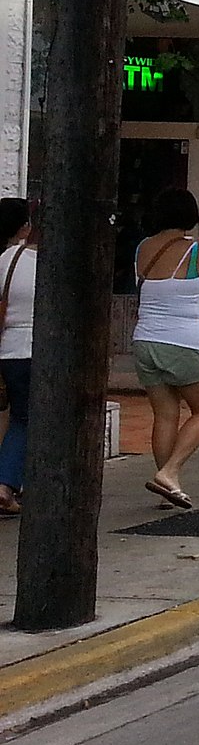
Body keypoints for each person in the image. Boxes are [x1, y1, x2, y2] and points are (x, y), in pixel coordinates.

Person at [131, 185, 199, 509]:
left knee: (165, 414)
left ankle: (167, 489)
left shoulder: (143, 248)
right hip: (184, 341)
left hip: (146, 341)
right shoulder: (197, 252)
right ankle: (170, 472)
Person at [0, 198, 33, 518]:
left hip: (8, 350)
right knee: (27, 419)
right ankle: (6, 483)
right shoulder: (39, 262)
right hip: (35, 349)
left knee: (18, 416)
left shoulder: (5, 261)